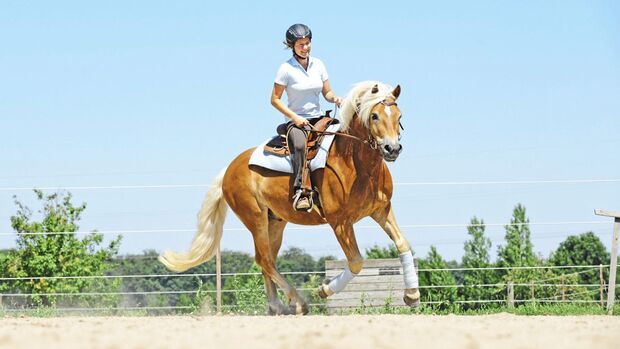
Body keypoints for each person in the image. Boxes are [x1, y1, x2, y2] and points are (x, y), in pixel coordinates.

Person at [270, 23, 342, 211]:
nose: (305, 47)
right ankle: (301, 191)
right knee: (300, 145)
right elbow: (275, 100)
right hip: (297, 121)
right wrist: (294, 118)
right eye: (301, 44)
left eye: (307, 43)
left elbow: (327, 92)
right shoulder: (286, 69)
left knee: (341, 136)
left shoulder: (319, 64)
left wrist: (334, 98)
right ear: (292, 46)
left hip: (318, 118)